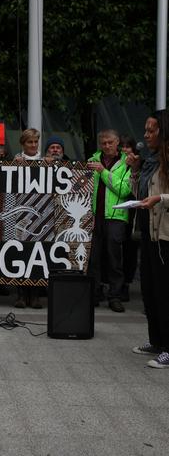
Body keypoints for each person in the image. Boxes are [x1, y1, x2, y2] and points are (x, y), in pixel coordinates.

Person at [127, 111, 169, 368]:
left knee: (165, 292)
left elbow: (159, 197)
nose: (145, 135)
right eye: (145, 130)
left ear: (163, 132)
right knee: (150, 290)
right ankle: (156, 340)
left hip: (164, 235)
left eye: (151, 131)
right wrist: (134, 171)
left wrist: (160, 199)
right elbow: (140, 194)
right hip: (147, 233)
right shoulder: (150, 161)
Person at [86, 129, 131, 313]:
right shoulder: (91, 161)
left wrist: (103, 172)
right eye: (103, 143)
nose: (106, 146)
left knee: (114, 258)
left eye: (110, 142)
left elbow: (124, 190)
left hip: (115, 217)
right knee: (93, 258)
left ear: (117, 142)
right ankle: (95, 293)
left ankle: (115, 296)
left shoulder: (126, 163)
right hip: (94, 217)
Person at [13, 128, 44, 309]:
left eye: (35, 142)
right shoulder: (16, 160)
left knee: (38, 253)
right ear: (23, 144)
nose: (33, 145)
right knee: (21, 252)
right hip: (20, 213)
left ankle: (35, 295)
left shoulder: (44, 162)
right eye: (29, 142)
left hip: (40, 213)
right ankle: (21, 294)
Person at [120, 134, 139, 301]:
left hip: (133, 215)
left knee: (130, 251)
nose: (125, 150)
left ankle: (126, 284)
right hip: (117, 212)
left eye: (128, 147)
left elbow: (135, 190)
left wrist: (133, 168)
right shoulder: (117, 164)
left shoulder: (139, 164)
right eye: (123, 147)